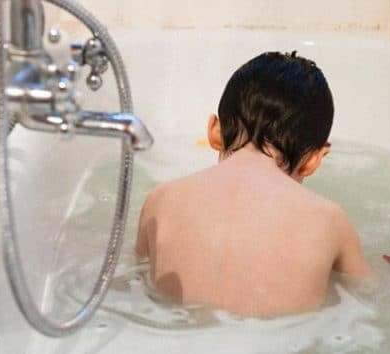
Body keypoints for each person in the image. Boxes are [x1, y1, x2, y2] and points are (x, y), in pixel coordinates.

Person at [135, 51, 370, 316]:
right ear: (313, 160)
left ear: (214, 132)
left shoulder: (161, 198)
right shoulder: (331, 220)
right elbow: (369, 294)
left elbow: (135, 276)